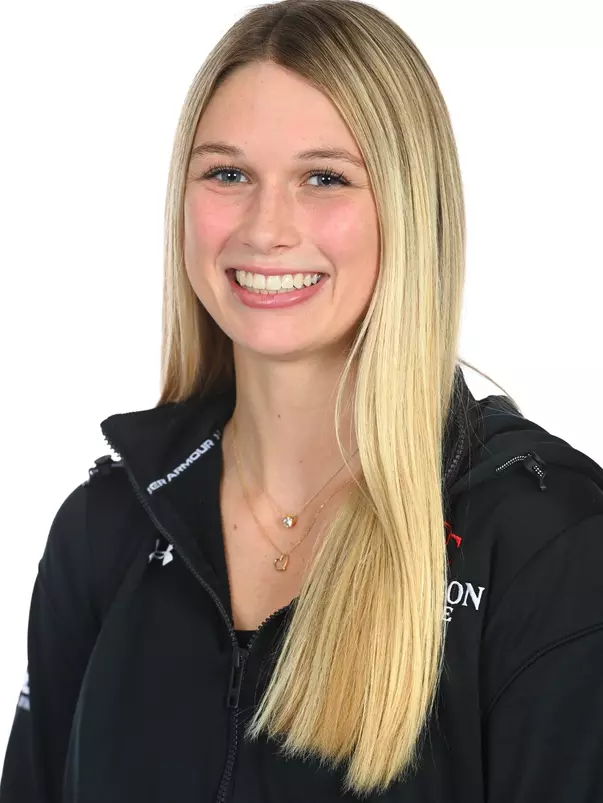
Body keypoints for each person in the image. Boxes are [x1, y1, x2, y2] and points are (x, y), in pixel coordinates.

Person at [2, 1, 603, 801]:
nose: (266, 228)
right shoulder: (104, 528)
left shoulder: (545, 543)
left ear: (409, 207)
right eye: (227, 174)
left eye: (324, 178)